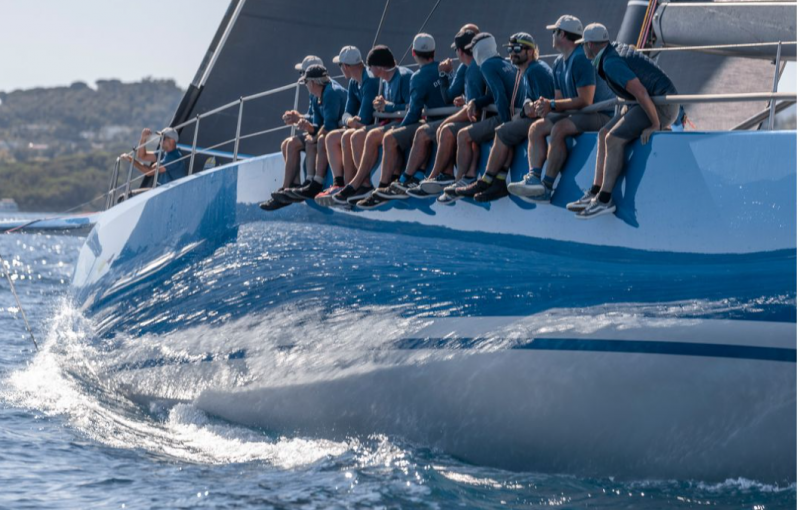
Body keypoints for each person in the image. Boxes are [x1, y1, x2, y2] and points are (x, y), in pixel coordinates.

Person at [572, 23, 679, 219]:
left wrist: (656, 125)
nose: (582, 49)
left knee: (613, 139)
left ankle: (605, 200)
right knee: (604, 133)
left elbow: (640, 92)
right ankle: (595, 191)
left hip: (661, 105)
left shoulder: (611, 62)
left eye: (583, 45)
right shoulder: (609, 53)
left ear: (590, 45)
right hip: (650, 102)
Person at [507, 15, 616, 203]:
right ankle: (534, 178)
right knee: (536, 128)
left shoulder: (581, 58)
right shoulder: (558, 62)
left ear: (562, 34)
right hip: (579, 113)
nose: (551, 35)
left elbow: (586, 100)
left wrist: (553, 105)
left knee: (560, 128)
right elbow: (558, 100)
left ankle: (547, 188)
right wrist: (544, 106)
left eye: (554, 32)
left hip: (600, 114)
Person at [382, 25, 488, 200]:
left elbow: (415, 111)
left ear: (413, 53)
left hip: (476, 118)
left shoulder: (473, 68)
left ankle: (414, 178)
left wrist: (398, 123)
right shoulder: (462, 68)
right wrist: (443, 76)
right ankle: (425, 176)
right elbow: (449, 97)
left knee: (432, 131)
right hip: (468, 115)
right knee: (436, 129)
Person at [452, 32, 555, 203]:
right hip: (524, 114)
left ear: (530, 52)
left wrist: (510, 120)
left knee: (500, 132)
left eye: (517, 49)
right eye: (510, 49)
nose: (512, 53)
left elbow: (501, 96)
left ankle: (477, 180)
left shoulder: (535, 71)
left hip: (543, 118)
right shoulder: (524, 68)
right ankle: (498, 180)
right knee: (505, 131)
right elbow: (528, 96)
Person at [358, 33, 452, 208]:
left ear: (413, 53)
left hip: (433, 122)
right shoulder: (444, 68)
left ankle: (385, 186)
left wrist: (399, 130)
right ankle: (407, 177)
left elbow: (414, 112)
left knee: (390, 137)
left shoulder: (417, 76)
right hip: (446, 118)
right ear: (434, 51)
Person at [430, 32, 519, 205]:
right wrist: (475, 102)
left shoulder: (486, 66)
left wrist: (507, 125)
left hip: (505, 117)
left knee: (464, 135)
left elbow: (500, 96)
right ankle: (466, 179)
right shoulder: (503, 62)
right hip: (511, 113)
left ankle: (462, 180)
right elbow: (494, 94)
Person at [332, 45, 413, 205]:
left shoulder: (397, 77)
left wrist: (386, 106)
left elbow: (412, 107)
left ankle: (366, 185)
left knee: (359, 135)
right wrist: (349, 121)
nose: (368, 69)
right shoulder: (380, 80)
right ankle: (354, 185)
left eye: (370, 66)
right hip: (389, 122)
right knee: (347, 135)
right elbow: (348, 113)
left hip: (402, 123)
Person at [261, 64, 347, 210]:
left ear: (313, 82)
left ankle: (315, 183)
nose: (305, 85)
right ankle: (289, 188)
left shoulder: (330, 93)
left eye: (305, 81)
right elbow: (318, 121)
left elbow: (329, 125)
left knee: (317, 139)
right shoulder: (317, 94)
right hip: (328, 129)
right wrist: (302, 121)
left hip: (340, 129)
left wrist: (312, 132)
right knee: (289, 144)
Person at [314, 46, 380, 206]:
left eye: (340, 65)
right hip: (359, 125)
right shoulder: (353, 82)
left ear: (346, 66)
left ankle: (356, 185)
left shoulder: (370, 80)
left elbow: (365, 117)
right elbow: (347, 113)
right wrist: (349, 121)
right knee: (330, 137)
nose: (340, 69)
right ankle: (339, 183)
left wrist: (351, 122)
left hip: (373, 126)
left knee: (346, 136)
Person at [259, 55, 323, 210]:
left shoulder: (323, 90)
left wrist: (303, 122)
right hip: (315, 129)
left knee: (293, 143)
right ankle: (293, 185)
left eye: (302, 73)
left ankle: (285, 192)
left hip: (320, 131)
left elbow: (324, 119)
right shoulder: (313, 90)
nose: (301, 77)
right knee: (286, 143)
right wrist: (297, 117)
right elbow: (313, 115)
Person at [120, 127, 187, 192]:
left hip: (172, 193)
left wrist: (130, 160)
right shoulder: (165, 153)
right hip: (164, 191)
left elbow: (148, 172)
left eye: (163, 138)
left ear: (172, 140)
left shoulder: (174, 157)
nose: (160, 141)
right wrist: (143, 139)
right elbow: (142, 156)